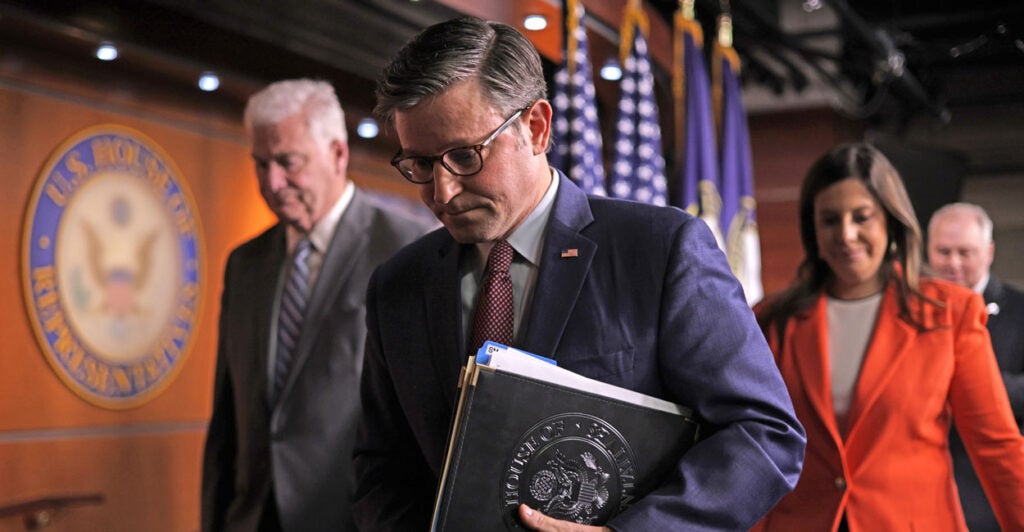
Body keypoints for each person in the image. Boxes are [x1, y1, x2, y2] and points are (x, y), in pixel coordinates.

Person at [352, 16, 805, 531]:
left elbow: (764, 433)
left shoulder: (659, 252)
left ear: (537, 127)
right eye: (420, 165)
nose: (442, 193)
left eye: (463, 156)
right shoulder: (398, 286)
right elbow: (381, 467)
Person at [753, 143, 1024, 531]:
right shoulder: (770, 320)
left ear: (890, 221)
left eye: (862, 217)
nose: (846, 234)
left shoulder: (950, 313)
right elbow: (754, 447)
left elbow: (997, 447)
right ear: (813, 229)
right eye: (830, 220)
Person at [201, 79, 431, 532]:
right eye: (261, 164)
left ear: (337, 154)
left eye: (288, 162)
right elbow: (227, 418)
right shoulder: (244, 263)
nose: (272, 182)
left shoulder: (409, 248)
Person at [928, 202, 1024, 532]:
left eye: (964, 252)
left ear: (989, 252)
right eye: (943, 251)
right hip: (924, 499)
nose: (953, 263)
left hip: (991, 500)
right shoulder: (909, 313)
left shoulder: (1021, 312)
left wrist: (971, 386)